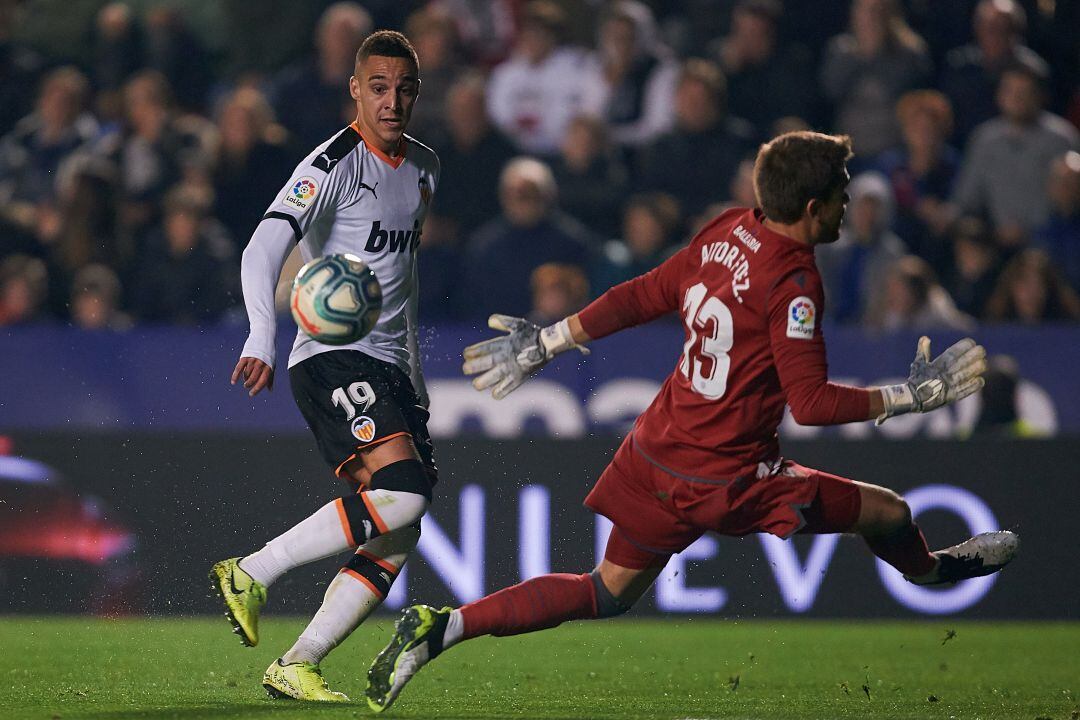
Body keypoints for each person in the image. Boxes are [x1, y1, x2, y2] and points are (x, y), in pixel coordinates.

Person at [363, 131, 1018, 713]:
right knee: (891, 512)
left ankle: (442, 627)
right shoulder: (794, 283)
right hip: (728, 476)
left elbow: (645, 292)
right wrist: (909, 397)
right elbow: (812, 404)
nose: (847, 207)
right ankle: (934, 573)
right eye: (842, 196)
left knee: (609, 589)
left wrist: (548, 341)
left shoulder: (728, 229)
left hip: (657, 450)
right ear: (815, 208)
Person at [208, 31, 442, 702]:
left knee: (399, 532)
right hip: (332, 354)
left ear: (416, 93)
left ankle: (297, 661)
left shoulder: (426, 167)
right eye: (377, 88)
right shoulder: (331, 163)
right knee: (405, 492)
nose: (391, 101)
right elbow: (261, 248)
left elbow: (406, 281)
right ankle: (254, 569)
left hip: (392, 364)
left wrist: (415, 376)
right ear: (355, 91)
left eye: (403, 89)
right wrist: (261, 334)